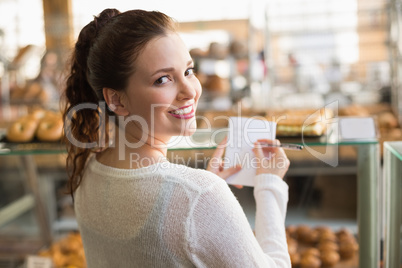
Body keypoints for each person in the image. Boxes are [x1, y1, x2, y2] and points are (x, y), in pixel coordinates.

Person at [62, 8, 291, 268]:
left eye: (189, 71)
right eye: (162, 79)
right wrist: (269, 187)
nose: (190, 91)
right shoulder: (199, 196)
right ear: (116, 99)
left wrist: (197, 199)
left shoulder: (87, 170)